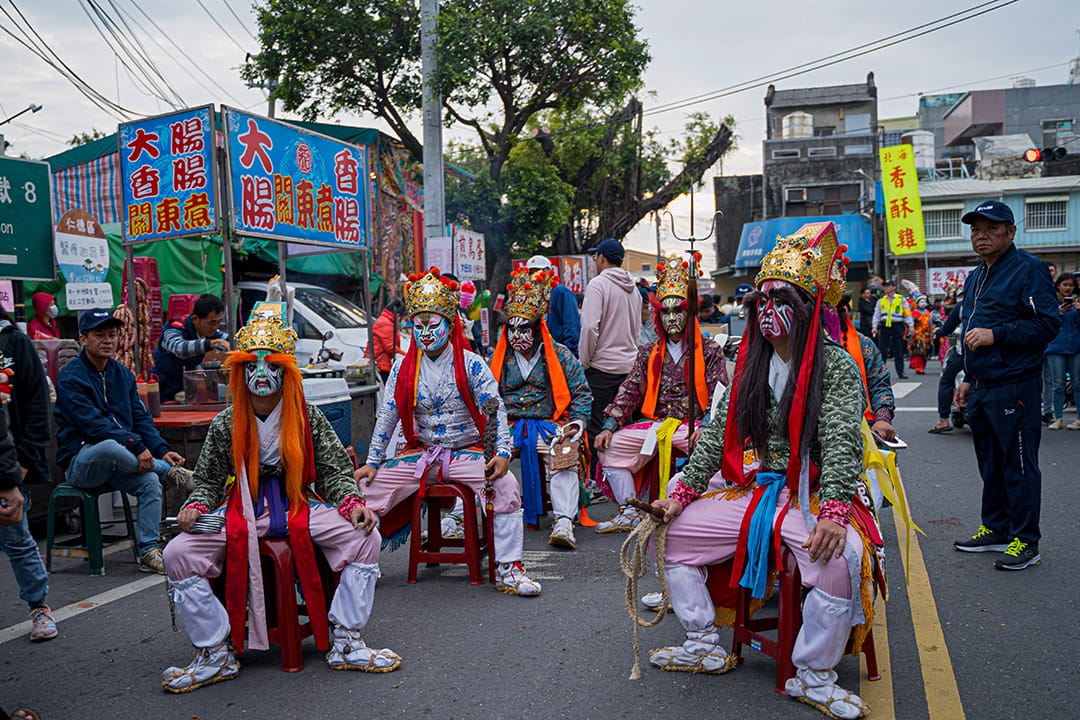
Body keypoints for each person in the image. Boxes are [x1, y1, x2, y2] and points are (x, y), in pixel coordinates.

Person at [645, 223, 881, 720]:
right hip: (759, 489)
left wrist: (835, 513)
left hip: (812, 492)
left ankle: (813, 674)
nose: (769, 311)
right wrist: (680, 495)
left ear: (807, 308)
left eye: (782, 300)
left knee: (840, 560)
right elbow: (714, 442)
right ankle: (703, 641)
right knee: (668, 535)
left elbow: (841, 443)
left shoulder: (835, 367)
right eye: (763, 301)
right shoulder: (748, 364)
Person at [160, 301, 399, 692]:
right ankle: (215, 650)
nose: (261, 374)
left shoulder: (306, 415)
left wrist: (354, 504)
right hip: (241, 511)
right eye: (251, 365)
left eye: (270, 365)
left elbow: (335, 470)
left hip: (300, 506)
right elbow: (206, 480)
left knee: (365, 536)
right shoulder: (226, 422)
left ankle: (346, 638)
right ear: (238, 371)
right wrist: (196, 506)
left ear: (286, 370)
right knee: (177, 554)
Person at [355, 267, 543, 597]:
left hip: (464, 454)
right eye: (418, 325)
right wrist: (372, 462)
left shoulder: (471, 364)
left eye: (433, 324)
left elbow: (494, 408)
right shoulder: (402, 366)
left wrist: (500, 453)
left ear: (450, 323)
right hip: (420, 458)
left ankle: (509, 569)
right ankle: (358, 565)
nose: (425, 333)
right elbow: (388, 416)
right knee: (359, 490)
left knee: (506, 485)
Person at [952, 201, 1060, 571]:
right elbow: (969, 330)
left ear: (1011, 232)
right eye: (975, 230)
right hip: (982, 385)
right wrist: (968, 378)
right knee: (991, 463)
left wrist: (996, 335)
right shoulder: (976, 275)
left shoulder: (1028, 269)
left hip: (1016, 384)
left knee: (1018, 464)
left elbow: (1048, 325)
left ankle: (1027, 540)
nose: (981, 236)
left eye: (991, 229)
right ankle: (997, 528)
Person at [593, 255, 728, 533]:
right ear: (658, 316)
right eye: (665, 313)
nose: (672, 319)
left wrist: (708, 428)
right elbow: (629, 389)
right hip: (656, 426)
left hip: (693, 426)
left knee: (712, 451)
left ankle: (702, 511)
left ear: (688, 313)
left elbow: (720, 396)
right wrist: (609, 426)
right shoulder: (647, 352)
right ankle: (629, 510)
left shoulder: (710, 350)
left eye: (677, 311)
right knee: (611, 447)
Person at [54, 308, 191, 574]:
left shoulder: (123, 375)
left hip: (120, 465)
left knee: (150, 482)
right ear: (83, 339)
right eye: (100, 335)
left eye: (112, 334)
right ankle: (171, 474)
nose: (108, 340)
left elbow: (141, 419)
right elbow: (95, 425)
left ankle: (148, 550)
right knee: (107, 446)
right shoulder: (71, 378)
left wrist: (161, 450)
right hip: (82, 464)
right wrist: (137, 446)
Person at [489, 265, 592, 548]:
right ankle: (462, 517)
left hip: (549, 424)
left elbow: (582, 394)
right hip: (507, 426)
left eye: (523, 330)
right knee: (478, 456)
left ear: (538, 328)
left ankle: (563, 522)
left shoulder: (559, 355)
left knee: (566, 452)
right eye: (511, 329)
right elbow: (484, 397)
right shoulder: (497, 358)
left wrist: (575, 424)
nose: (516, 337)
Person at [0, 321, 57, 642]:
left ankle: (39, 606)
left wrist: (23, 462)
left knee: (17, 539)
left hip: (7, 464)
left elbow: (37, 405)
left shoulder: (12, 342)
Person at [579, 238, 642, 454]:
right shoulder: (634, 289)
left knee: (597, 430)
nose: (595, 261)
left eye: (595, 257)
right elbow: (637, 331)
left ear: (602, 258)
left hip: (602, 369)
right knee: (625, 427)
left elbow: (589, 327)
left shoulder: (598, 284)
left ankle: (599, 482)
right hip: (630, 369)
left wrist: (584, 362)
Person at [151, 294, 230, 402]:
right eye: (211, 323)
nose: (215, 327)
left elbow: (230, 340)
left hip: (185, 389)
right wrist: (210, 344)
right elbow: (179, 348)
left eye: (218, 322)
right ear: (195, 319)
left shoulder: (211, 332)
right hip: (162, 389)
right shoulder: (173, 330)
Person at [1044, 272, 1080, 430]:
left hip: (1076, 347)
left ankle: (1079, 418)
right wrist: (1058, 313)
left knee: (1077, 383)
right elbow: (1046, 323)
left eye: (1071, 285)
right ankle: (1057, 418)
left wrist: (1079, 311)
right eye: (1065, 285)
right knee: (1057, 384)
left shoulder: (1078, 302)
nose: (1068, 288)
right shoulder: (1050, 302)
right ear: (1058, 286)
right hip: (1055, 347)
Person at [526, 255, 581, 356]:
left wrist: (569, 354)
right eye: (531, 272)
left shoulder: (561, 292)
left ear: (548, 272)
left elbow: (571, 325)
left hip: (558, 353)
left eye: (538, 271)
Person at [929, 297, 965, 434]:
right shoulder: (998, 301)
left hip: (965, 354)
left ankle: (943, 420)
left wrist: (938, 332)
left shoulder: (964, 305)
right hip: (994, 354)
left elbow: (948, 327)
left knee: (946, 380)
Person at [871, 278, 912, 379]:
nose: (886, 288)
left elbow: (907, 313)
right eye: (885, 286)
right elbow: (876, 315)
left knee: (898, 350)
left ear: (894, 287)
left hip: (897, 326)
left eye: (888, 286)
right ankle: (881, 372)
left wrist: (911, 326)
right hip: (885, 327)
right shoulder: (881, 301)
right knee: (882, 350)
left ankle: (900, 372)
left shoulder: (901, 299)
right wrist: (874, 327)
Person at [370, 299, 405, 383]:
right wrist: (407, 356)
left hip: (383, 363)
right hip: (381, 364)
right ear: (398, 315)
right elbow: (390, 347)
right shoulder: (384, 323)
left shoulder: (387, 322)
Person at [907, 294, 934, 375]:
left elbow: (930, 323)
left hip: (927, 335)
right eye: (921, 301)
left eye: (925, 301)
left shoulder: (928, 312)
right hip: (918, 335)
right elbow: (912, 323)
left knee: (925, 352)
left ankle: (922, 366)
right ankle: (919, 367)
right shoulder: (915, 312)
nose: (923, 303)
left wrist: (931, 333)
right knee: (919, 352)